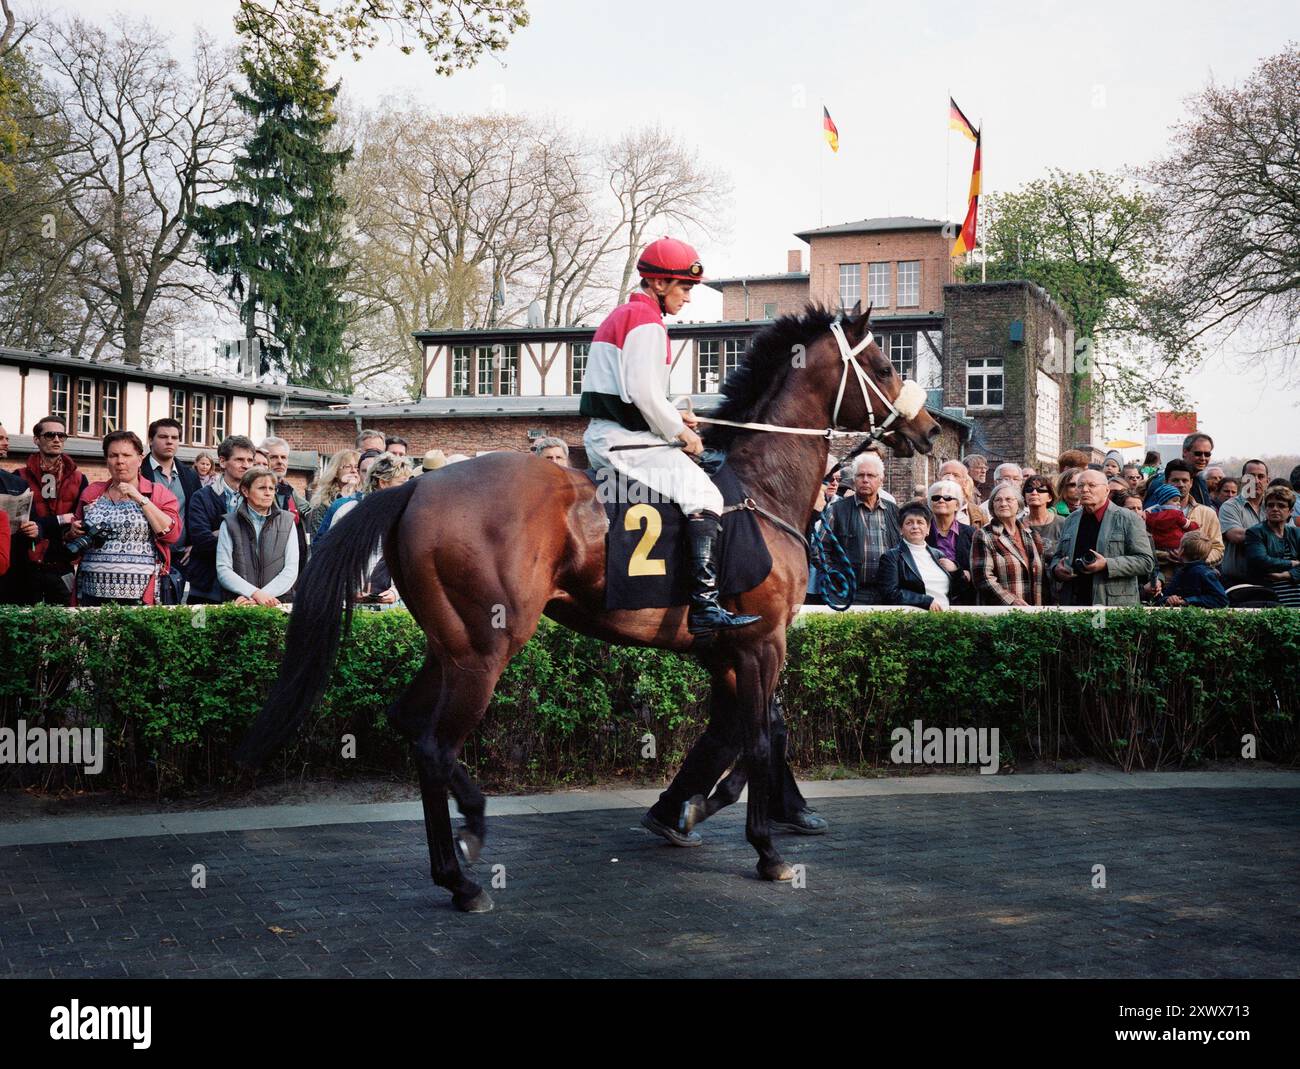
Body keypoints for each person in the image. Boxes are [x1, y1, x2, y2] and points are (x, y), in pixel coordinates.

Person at [579, 236, 758, 635]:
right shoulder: (646, 321)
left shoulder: (626, 315)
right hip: (622, 441)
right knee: (706, 494)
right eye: (685, 286)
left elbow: (632, 393)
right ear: (659, 284)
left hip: (614, 432)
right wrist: (679, 430)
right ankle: (706, 606)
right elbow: (642, 394)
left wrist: (675, 416)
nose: (689, 297)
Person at [71, 431, 181, 606]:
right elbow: (74, 534)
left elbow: (171, 533)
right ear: (106, 460)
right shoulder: (92, 492)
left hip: (139, 594)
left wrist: (139, 497)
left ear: (140, 459)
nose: (120, 461)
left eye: (127, 455)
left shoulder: (157, 493)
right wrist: (74, 529)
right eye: (113, 455)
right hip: (91, 590)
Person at [1050, 469, 1155, 607]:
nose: (1085, 490)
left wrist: (1107, 564)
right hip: (1074, 602)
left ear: (1106, 490)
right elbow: (1058, 556)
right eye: (1080, 486)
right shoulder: (1071, 520)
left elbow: (1146, 562)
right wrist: (1057, 569)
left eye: (1091, 485)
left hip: (1113, 604)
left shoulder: (1128, 518)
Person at [321, 453, 412, 604]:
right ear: (383, 483)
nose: (408, 489)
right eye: (402, 483)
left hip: (388, 606)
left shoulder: (404, 516)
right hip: (346, 602)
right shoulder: (347, 511)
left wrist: (395, 592)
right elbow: (330, 559)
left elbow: (406, 562)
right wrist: (349, 588)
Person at [17, 415, 88, 605]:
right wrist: (59, 520)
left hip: (63, 562)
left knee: (66, 622)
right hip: (29, 563)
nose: (56, 439)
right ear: (36, 439)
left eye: (61, 435)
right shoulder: (19, 476)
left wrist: (53, 527)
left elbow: (79, 517)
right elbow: (19, 522)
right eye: (49, 435)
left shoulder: (80, 479)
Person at [821, 452, 901, 604]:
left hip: (886, 594)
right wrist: (836, 575)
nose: (865, 480)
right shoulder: (837, 510)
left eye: (870, 475)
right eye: (860, 475)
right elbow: (819, 551)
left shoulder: (893, 511)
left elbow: (902, 549)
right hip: (846, 594)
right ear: (854, 480)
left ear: (881, 480)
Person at [186, 435, 257, 604]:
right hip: (206, 586)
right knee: (199, 628)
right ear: (223, 462)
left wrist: (221, 532)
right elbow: (202, 540)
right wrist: (243, 534)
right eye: (239, 459)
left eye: (250, 460)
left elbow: (264, 539)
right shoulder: (201, 497)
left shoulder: (258, 498)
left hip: (246, 587)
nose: (246, 465)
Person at [216, 466, 300, 606]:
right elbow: (223, 569)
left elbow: (291, 569)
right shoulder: (230, 523)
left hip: (278, 603)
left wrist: (261, 598)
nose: (268, 493)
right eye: (262, 488)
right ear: (245, 491)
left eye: (272, 488)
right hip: (239, 604)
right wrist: (254, 594)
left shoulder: (287, 521)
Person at [140, 418, 201, 583]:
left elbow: (197, 513)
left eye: (174, 438)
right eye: (163, 437)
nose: (169, 442)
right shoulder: (138, 473)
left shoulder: (190, 476)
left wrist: (194, 544)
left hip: (182, 556)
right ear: (151, 440)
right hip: (147, 553)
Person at [971, 482, 1049, 606]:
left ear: (1018, 505)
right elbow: (983, 578)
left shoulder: (1032, 535)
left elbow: (1043, 577)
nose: (1003, 504)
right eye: (998, 500)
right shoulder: (984, 535)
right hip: (1000, 614)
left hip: (1034, 612)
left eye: (1008, 499)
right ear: (992, 506)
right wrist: (1011, 601)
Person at [879, 501, 967, 611]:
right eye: (909, 523)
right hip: (914, 619)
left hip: (946, 617)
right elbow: (890, 593)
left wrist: (955, 570)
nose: (915, 526)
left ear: (928, 529)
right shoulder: (891, 557)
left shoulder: (938, 554)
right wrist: (924, 600)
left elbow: (959, 590)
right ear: (901, 529)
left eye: (920, 522)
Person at [1158, 458, 1224, 577]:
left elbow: (1218, 548)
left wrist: (1194, 561)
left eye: (1185, 480)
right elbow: (1145, 550)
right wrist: (1166, 556)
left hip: (1198, 581)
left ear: (1191, 482)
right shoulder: (1151, 513)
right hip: (1163, 580)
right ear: (1166, 482)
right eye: (1175, 480)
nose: (1180, 485)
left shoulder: (1208, 513)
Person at [1244, 485, 1300, 606]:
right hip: (1270, 598)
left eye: (1281, 505)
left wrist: (1287, 575)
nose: (1275, 509)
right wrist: (1291, 563)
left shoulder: (1297, 534)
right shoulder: (1255, 532)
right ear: (1265, 509)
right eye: (1270, 505)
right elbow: (1259, 560)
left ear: (1290, 511)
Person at [259, 436, 310, 566]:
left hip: (297, 563)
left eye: (283, 457)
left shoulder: (290, 491)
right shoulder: (257, 493)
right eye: (274, 457)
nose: (280, 462)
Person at [1219, 460, 1269, 585]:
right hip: (1237, 582)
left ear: (1267, 481)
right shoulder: (1230, 506)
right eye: (1251, 476)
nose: (1256, 481)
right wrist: (1274, 535)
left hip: (1270, 581)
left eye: (1261, 476)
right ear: (1242, 480)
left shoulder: (1274, 506)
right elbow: (1236, 535)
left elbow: (1289, 537)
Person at [1154, 531, 1228, 608]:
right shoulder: (1182, 572)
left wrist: (1186, 601)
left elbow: (1221, 600)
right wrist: (1169, 599)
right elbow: (1164, 598)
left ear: (1181, 551)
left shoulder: (1204, 573)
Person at [923, 477, 973, 591]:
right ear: (930, 503)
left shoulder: (972, 534)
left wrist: (957, 569)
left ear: (957, 505)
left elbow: (977, 571)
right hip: (930, 595)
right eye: (936, 498)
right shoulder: (921, 534)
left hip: (964, 597)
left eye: (947, 497)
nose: (941, 500)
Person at [1144, 432, 1213, 507]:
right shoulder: (1162, 482)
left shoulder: (1201, 481)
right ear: (1185, 452)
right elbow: (1151, 513)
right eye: (1198, 453)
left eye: (1207, 454)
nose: (1203, 458)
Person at [308, 449, 361, 539]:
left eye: (357, 467)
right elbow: (318, 539)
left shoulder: (364, 497)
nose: (354, 471)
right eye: (348, 466)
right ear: (336, 472)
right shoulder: (324, 502)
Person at [1022, 474, 1066, 560]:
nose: (1034, 493)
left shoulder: (1062, 523)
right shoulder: (1018, 525)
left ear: (1050, 497)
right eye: (1029, 489)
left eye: (1040, 490)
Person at [938, 459, 986, 527]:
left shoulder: (978, 513)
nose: (950, 478)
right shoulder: (924, 506)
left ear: (965, 482)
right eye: (946, 474)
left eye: (956, 475)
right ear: (939, 478)